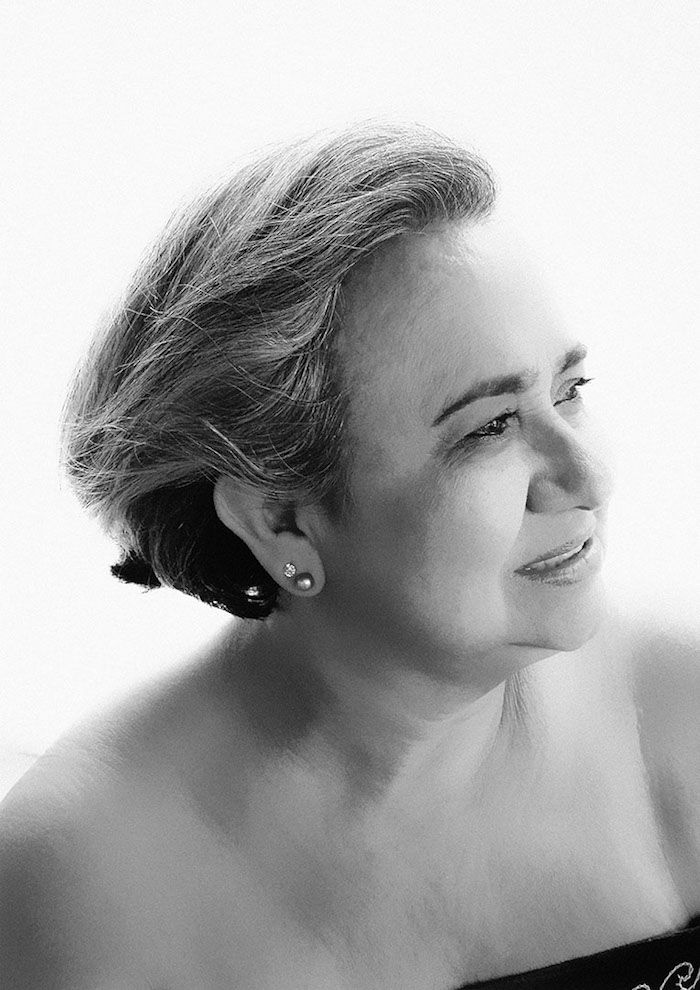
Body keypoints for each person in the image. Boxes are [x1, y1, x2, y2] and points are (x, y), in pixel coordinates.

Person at [0, 122, 698, 990]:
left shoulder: (678, 717)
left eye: (572, 390)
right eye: (490, 427)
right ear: (280, 521)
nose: (588, 476)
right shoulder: (78, 888)